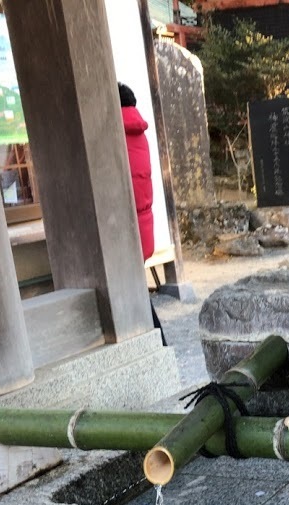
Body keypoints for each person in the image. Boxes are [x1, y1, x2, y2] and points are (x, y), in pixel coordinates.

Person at [118, 82, 165, 344]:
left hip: (126, 229)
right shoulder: (138, 133)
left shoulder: (116, 135)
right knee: (137, 290)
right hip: (143, 226)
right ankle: (157, 341)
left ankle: (157, 342)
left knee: (134, 296)